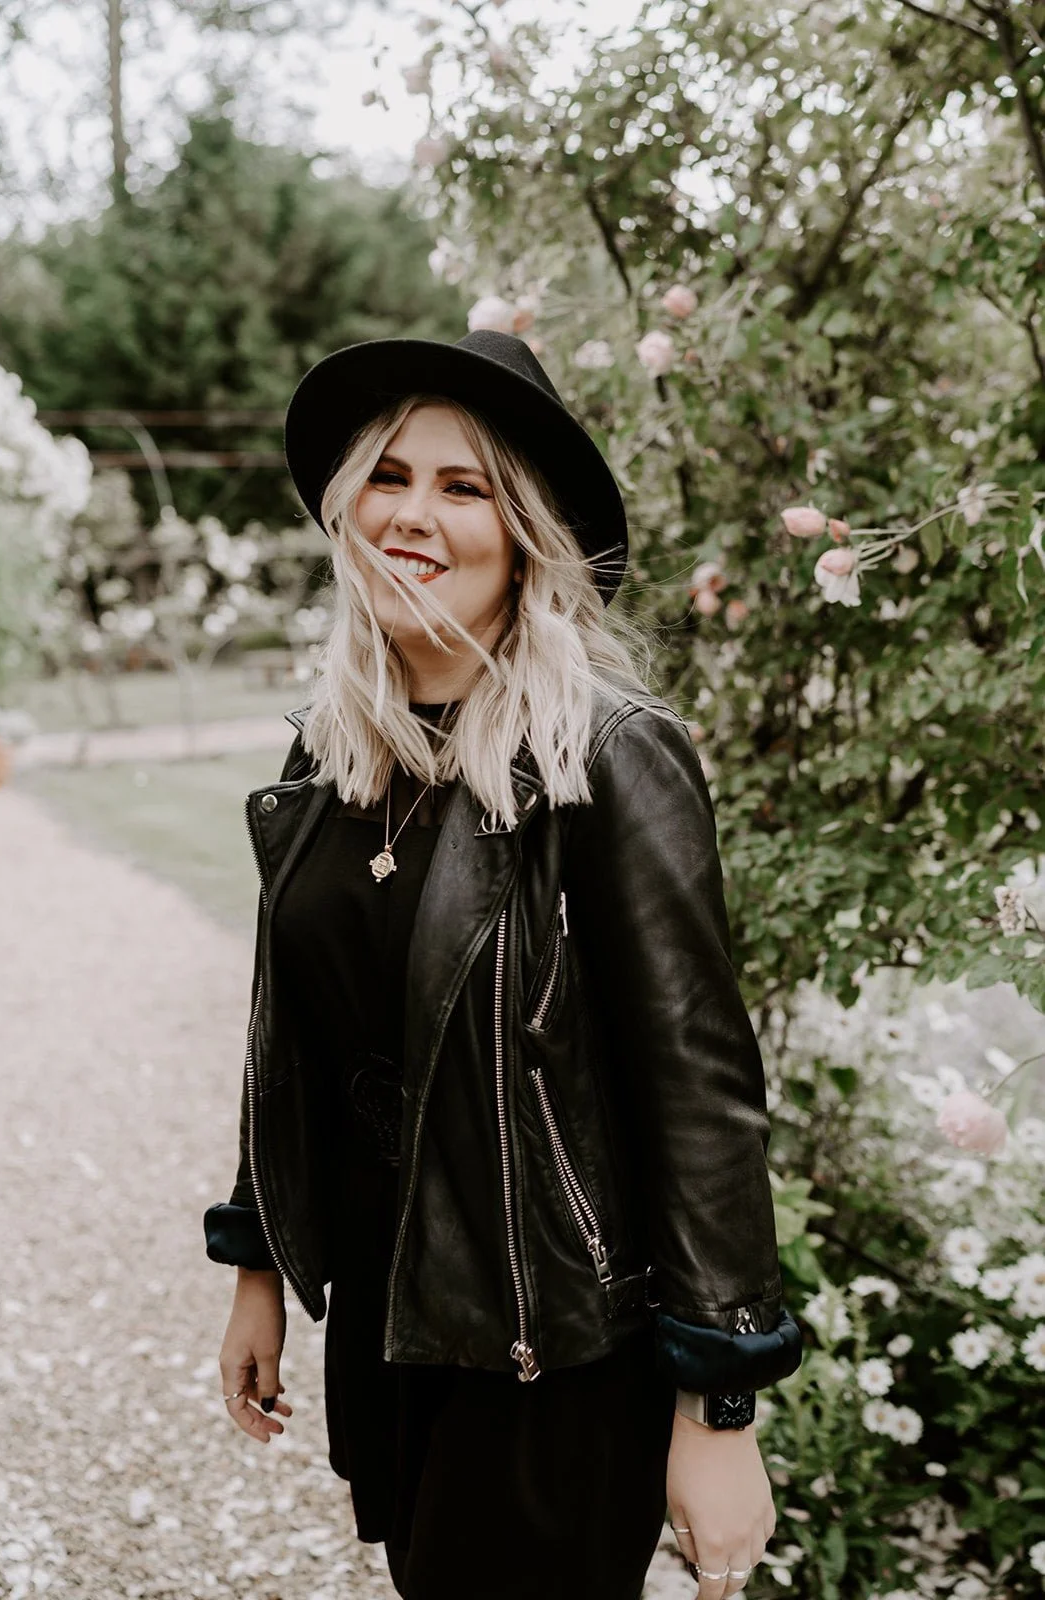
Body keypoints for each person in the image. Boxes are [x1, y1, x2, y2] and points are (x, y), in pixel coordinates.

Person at [203, 328, 803, 1600]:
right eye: (391, 476)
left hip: (553, 1342)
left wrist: (718, 1409)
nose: (414, 514)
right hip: (394, 1312)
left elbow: (697, 1087)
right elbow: (291, 1034)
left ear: (523, 532)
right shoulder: (333, 751)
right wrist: (259, 1259)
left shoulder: (606, 753)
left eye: (464, 486)